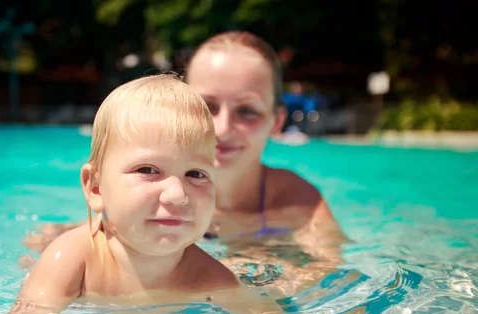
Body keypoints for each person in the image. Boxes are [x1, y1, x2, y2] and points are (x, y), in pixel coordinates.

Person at [0, 75, 310, 314]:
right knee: (38, 252)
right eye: (148, 170)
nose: (177, 195)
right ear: (95, 187)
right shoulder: (73, 260)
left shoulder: (207, 276)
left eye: (196, 174)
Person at [23, 31, 347, 297]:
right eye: (206, 106)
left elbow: (326, 272)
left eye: (247, 111)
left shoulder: (297, 202)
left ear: (276, 121)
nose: (221, 128)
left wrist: (258, 290)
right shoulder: (137, 205)